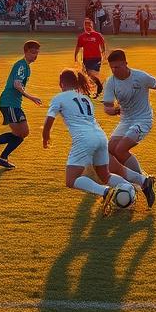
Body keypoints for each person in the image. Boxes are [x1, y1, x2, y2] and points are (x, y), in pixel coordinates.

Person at [43, 69, 131, 215]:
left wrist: (45, 137)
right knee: (105, 175)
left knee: (71, 180)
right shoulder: (85, 98)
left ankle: (105, 191)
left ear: (61, 83)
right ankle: (128, 188)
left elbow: (49, 120)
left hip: (84, 139)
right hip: (100, 136)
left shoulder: (59, 97)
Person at [101, 50, 156, 208]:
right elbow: (107, 108)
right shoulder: (111, 82)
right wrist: (114, 110)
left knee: (121, 149)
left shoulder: (140, 77)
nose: (115, 71)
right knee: (109, 151)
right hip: (126, 120)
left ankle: (143, 184)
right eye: (112, 68)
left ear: (125, 63)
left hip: (143, 119)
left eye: (117, 67)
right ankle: (139, 181)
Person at [0, 40, 43, 169]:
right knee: (20, 133)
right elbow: (17, 85)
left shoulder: (26, 67)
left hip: (14, 104)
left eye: (37, 53)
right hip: (9, 103)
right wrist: (31, 97)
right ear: (25, 52)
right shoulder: (21, 66)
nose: (35, 56)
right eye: (32, 53)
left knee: (23, 133)